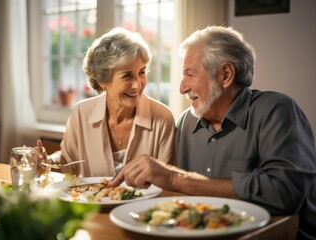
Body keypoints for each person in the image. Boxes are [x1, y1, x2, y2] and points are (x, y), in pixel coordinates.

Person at [109, 26, 316, 240]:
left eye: (190, 74)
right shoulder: (186, 123)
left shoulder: (276, 111)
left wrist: (174, 177)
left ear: (225, 75)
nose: (182, 87)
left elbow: (285, 192)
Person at [36, 27, 175, 177]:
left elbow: (166, 182)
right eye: (127, 76)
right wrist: (47, 161)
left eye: (141, 72)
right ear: (102, 80)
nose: (138, 84)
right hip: (92, 201)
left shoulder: (162, 118)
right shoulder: (82, 113)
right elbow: (68, 160)